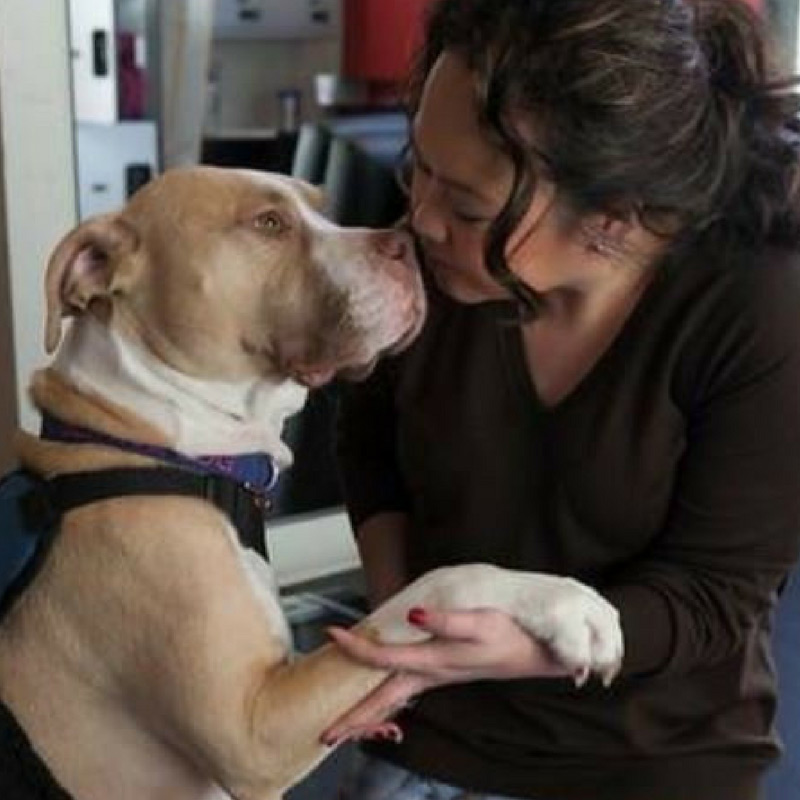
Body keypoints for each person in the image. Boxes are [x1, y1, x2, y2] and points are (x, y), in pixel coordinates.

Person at [326, 1, 800, 799]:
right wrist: (401, 623)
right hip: (426, 728)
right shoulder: (437, 257)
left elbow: (713, 596)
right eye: (418, 168)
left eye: (468, 207)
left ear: (616, 216)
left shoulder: (758, 308)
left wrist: (517, 642)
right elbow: (370, 442)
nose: (422, 221)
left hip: (648, 761)